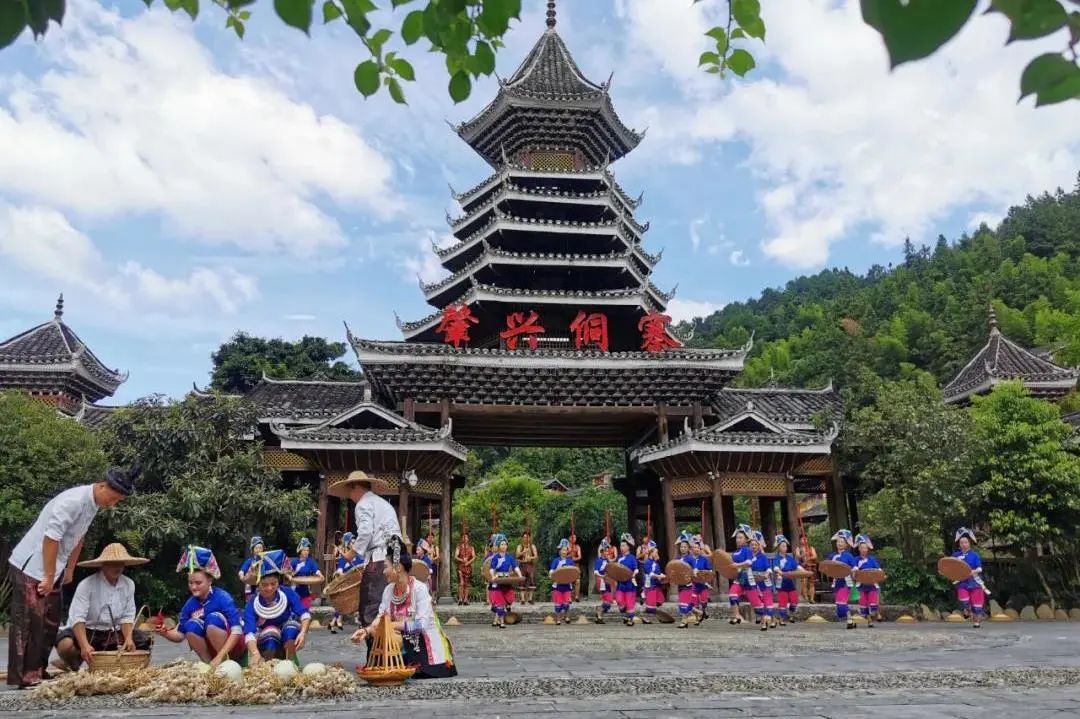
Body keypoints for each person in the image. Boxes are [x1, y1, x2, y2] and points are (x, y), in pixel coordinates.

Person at [7, 466, 137, 688]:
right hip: (33, 565)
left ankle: (39, 669)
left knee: (50, 621)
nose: (112, 504)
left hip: (55, 566)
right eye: (113, 498)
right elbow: (51, 538)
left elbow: (79, 538)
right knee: (31, 622)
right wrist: (48, 576)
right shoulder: (73, 501)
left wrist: (69, 569)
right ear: (102, 485)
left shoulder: (93, 505)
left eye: (118, 501)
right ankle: (25, 676)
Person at [351, 536, 457, 678]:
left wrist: (392, 625)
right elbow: (380, 617)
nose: (383, 572)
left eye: (386, 567)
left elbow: (421, 624)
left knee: (402, 638)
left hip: (421, 638)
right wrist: (366, 630)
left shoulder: (419, 589)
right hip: (400, 635)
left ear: (398, 567)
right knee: (376, 636)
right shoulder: (389, 590)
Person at [54, 543, 151, 672]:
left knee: (143, 640)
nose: (117, 567)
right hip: (88, 630)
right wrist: (84, 645)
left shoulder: (128, 584)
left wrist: (128, 638)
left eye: (120, 564)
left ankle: (116, 663)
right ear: (103, 565)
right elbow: (78, 618)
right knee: (65, 644)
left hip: (113, 633)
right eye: (112, 564)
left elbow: (127, 616)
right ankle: (73, 663)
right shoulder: (87, 584)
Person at [328, 471, 401, 631]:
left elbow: (366, 532)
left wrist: (350, 554)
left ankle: (376, 651)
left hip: (379, 560)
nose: (349, 495)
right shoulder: (384, 504)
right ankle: (388, 648)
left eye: (350, 491)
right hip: (394, 559)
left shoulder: (363, 504)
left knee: (371, 606)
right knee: (388, 602)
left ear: (355, 487)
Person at [157, 546, 244, 666]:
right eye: (190, 583)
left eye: (198, 583)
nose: (193, 587)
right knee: (191, 625)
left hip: (233, 647)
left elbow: (237, 631)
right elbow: (180, 634)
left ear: (210, 581)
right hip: (212, 652)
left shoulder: (223, 598)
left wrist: (220, 656)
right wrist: (165, 633)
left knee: (213, 619)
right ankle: (208, 665)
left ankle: (225, 662)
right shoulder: (190, 604)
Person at [243, 550, 311, 664]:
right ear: (258, 584)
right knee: (271, 635)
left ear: (278, 582)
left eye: (273, 584)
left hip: (286, 633)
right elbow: (249, 632)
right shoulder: (253, 603)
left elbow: (304, 614)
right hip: (266, 638)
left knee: (291, 628)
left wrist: (303, 632)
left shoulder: (287, 593)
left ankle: (290, 663)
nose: (269, 588)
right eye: (264, 585)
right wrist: (255, 653)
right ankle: (268, 666)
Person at [952, 527, 988, 628]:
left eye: (966, 542)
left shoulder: (975, 555)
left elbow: (979, 568)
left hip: (974, 582)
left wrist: (973, 571)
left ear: (969, 543)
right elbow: (950, 567)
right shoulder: (955, 555)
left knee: (976, 604)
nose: (964, 544)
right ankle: (967, 609)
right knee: (964, 600)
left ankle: (976, 622)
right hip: (962, 582)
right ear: (959, 544)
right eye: (962, 542)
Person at [329, 532, 364, 634]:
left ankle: (360, 624)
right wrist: (339, 572)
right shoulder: (344, 558)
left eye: (355, 542)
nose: (354, 544)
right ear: (348, 544)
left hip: (358, 585)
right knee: (342, 604)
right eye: (352, 542)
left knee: (360, 604)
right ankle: (333, 622)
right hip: (346, 586)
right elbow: (340, 569)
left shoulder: (360, 557)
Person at [486, 533, 522, 628]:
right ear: (498, 546)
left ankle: (497, 620)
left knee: (509, 598)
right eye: (502, 544)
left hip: (506, 580)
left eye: (505, 544)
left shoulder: (509, 557)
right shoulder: (495, 558)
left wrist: (520, 575)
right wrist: (493, 576)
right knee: (499, 603)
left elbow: (515, 567)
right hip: (498, 580)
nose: (504, 546)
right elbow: (491, 569)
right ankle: (501, 622)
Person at [771, 534, 803, 626]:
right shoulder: (777, 558)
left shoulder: (789, 558)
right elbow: (776, 568)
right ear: (778, 547)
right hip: (781, 583)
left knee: (794, 600)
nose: (785, 547)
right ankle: (781, 619)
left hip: (790, 583)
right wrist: (780, 572)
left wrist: (804, 571)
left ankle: (791, 615)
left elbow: (796, 566)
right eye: (783, 546)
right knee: (783, 602)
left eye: (785, 546)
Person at [828, 529, 858, 629]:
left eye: (842, 542)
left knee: (841, 603)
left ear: (846, 544)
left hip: (846, 581)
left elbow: (854, 568)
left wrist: (853, 574)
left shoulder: (848, 556)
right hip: (836, 582)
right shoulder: (832, 556)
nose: (839, 543)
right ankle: (850, 619)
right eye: (838, 541)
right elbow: (827, 566)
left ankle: (849, 620)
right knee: (841, 604)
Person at [748, 531, 776, 631]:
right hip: (753, 582)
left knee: (766, 600)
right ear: (749, 546)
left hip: (764, 581)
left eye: (756, 545)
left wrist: (767, 574)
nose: (754, 546)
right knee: (759, 602)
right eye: (752, 545)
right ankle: (767, 620)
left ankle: (769, 620)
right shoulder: (748, 557)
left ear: (759, 546)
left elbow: (768, 568)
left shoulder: (763, 557)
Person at [727, 524, 753, 625]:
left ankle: (769, 616)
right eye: (737, 538)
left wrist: (737, 565)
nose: (738, 540)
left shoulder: (747, 550)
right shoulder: (735, 553)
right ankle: (737, 616)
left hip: (749, 578)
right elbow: (730, 565)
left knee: (758, 601)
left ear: (746, 539)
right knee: (732, 594)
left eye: (740, 537)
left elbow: (749, 562)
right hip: (740, 579)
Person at [853, 534, 881, 628]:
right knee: (864, 604)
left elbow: (878, 569)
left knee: (873, 603)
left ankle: (875, 613)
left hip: (872, 584)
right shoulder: (856, 559)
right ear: (859, 549)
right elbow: (854, 571)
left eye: (865, 548)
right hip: (861, 585)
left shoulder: (872, 559)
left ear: (867, 549)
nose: (864, 549)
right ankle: (869, 620)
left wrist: (881, 575)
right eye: (862, 548)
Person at [289, 538, 323, 611]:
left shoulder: (310, 562)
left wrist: (321, 575)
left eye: (307, 550)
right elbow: (288, 573)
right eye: (304, 550)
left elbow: (316, 570)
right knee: (294, 609)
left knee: (305, 610)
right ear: (300, 551)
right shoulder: (294, 562)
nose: (306, 552)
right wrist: (292, 575)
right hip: (295, 588)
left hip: (305, 589)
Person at [548, 539, 575, 625]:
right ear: (559, 551)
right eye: (562, 550)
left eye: (565, 550)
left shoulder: (570, 561)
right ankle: (558, 618)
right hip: (557, 585)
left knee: (566, 604)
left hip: (567, 585)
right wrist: (551, 575)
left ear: (567, 551)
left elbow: (573, 572)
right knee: (558, 604)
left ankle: (566, 616)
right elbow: (552, 571)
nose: (564, 551)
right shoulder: (556, 561)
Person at [614, 533, 638, 626]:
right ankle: (625, 614)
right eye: (621, 545)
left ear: (628, 547)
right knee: (619, 600)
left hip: (630, 584)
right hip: (621, 584)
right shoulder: (619, 558)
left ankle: (630, 619)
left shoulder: (632, 558)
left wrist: (634, 574)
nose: (621, 547)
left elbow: (636, 569)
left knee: (629, 602)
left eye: (623, 545)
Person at [673, 533, 696, 629]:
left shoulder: (690, 558)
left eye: (685, 547)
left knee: (684, 602)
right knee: (682, 602)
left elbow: (694, 569)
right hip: (680, 583)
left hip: (688, 584)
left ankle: (684, 621)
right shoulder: (677, 558)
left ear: (688, 548)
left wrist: (692, 574)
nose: (682, 548)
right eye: (681, 547)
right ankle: (698, 613)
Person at [689, 536, 713, 625]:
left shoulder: (704, 559)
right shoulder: (689, 559)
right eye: (694, 547)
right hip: (693, 584)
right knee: (694, 602)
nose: (696, 549)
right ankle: (697, 618)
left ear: (700, 549)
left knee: (704, 602)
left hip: (703, 584)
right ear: (691, 549)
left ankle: (703, 612)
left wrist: (702, 572)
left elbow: (710, 571)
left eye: (698, 547)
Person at [640, 540, 664, 624]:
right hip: (650, 584)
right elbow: (650, 573)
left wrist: (663, 576)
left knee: (660, 600)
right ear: (651, 553)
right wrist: (659, 576)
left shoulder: (655, 563)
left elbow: (658, 572)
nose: (657, 554)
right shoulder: (647, 562)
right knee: (651, 603)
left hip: (656, 584)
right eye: (656, 552)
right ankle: (644, 614)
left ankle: (648, 608)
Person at [593, 536, 614, 624]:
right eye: (605, 551)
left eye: (607, 551)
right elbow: (595, 572)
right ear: (601, 552)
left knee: (608, 602)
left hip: (608, 581)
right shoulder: (599, 560)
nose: (607, 553)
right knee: (607, 600)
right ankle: (599, 612)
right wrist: (602, 576)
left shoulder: (607, 561)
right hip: (602, 581)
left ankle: (599, 615)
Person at [515, 530, 539, 605]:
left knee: (531, 580)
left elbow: (536, 555)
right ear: (522, 538)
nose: (526, 539)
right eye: (524, 537)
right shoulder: (520, 546)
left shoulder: (532, 546)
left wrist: (530, 558)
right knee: (522, 580)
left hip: (530, 565)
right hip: (522, 565)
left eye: (527, 537)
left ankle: (530, 598)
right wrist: (523, 552)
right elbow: (517, 555)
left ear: (530, 538)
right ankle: (522, 599)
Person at [238, 536, 264, 604]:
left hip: (262, 585)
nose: (259, 550)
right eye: (256, 548)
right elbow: (242, 571)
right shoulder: (250, 561)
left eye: (260, 548)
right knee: (251, 603)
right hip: (250, 586)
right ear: (252, 550)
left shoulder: (265, 560)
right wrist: (241, 576)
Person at [454, 529, 475, 606]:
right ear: (461, 538)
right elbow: (456, 556)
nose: (465, 539)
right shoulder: (459, 547)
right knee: (461, 583)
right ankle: (460, 598)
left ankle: (466, 599)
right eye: (463, 537)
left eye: (466, 537)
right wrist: (462, 560)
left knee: (467, 583)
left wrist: (468, 562)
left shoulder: (471, 547)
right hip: (461, 567)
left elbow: (473, 557)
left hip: (468, 567)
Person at [796, 533, 818, 603]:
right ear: (800, 540)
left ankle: (812, 598)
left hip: (811, 566)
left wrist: (809, 556)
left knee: (812, 583)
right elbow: (798, 556)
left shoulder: (811, 548)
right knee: (804, 582)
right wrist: (804, 554)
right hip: (803, 567)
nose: (805, 540)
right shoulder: (798, 548)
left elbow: (815, 556)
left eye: (806, 538)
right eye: (803, 538)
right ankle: (806, 597)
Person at [569, 533, 584, 600]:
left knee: (577, 581)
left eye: (575, 538)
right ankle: (568, 596)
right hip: (567, 565)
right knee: (568, 581)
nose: (574, 539)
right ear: (569, 538)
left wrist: (573, 558)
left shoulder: (577, 547)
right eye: (572, 537)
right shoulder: (566, 546)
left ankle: (577, 596)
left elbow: (579, 556)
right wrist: (569, 556)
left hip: (575, 565)